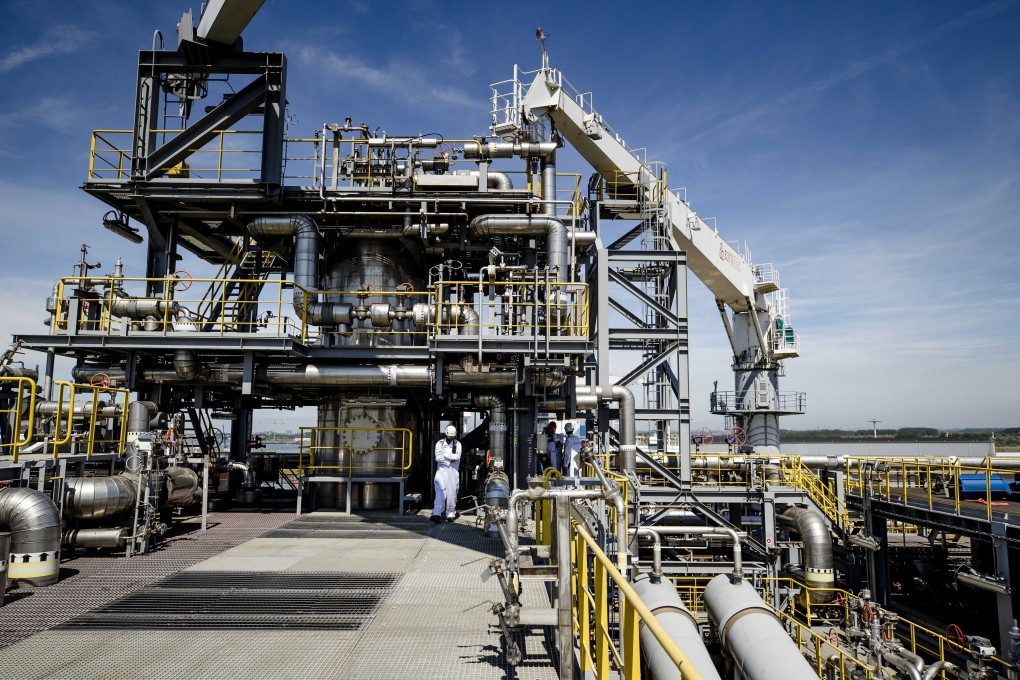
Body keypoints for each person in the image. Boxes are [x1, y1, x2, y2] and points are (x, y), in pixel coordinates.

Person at [432, 425, 461, 523]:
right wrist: (449, 460)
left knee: (452, 494)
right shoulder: (439, 444)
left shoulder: (458, 444)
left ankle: (451, 513)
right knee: (440, 493)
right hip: (441, 472)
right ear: (446, 434)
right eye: (449, 436)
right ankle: (436, 514)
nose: (450, 438)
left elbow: (457, 457)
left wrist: (445, 455)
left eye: (452, 436)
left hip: (453, 473)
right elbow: (438, 458)